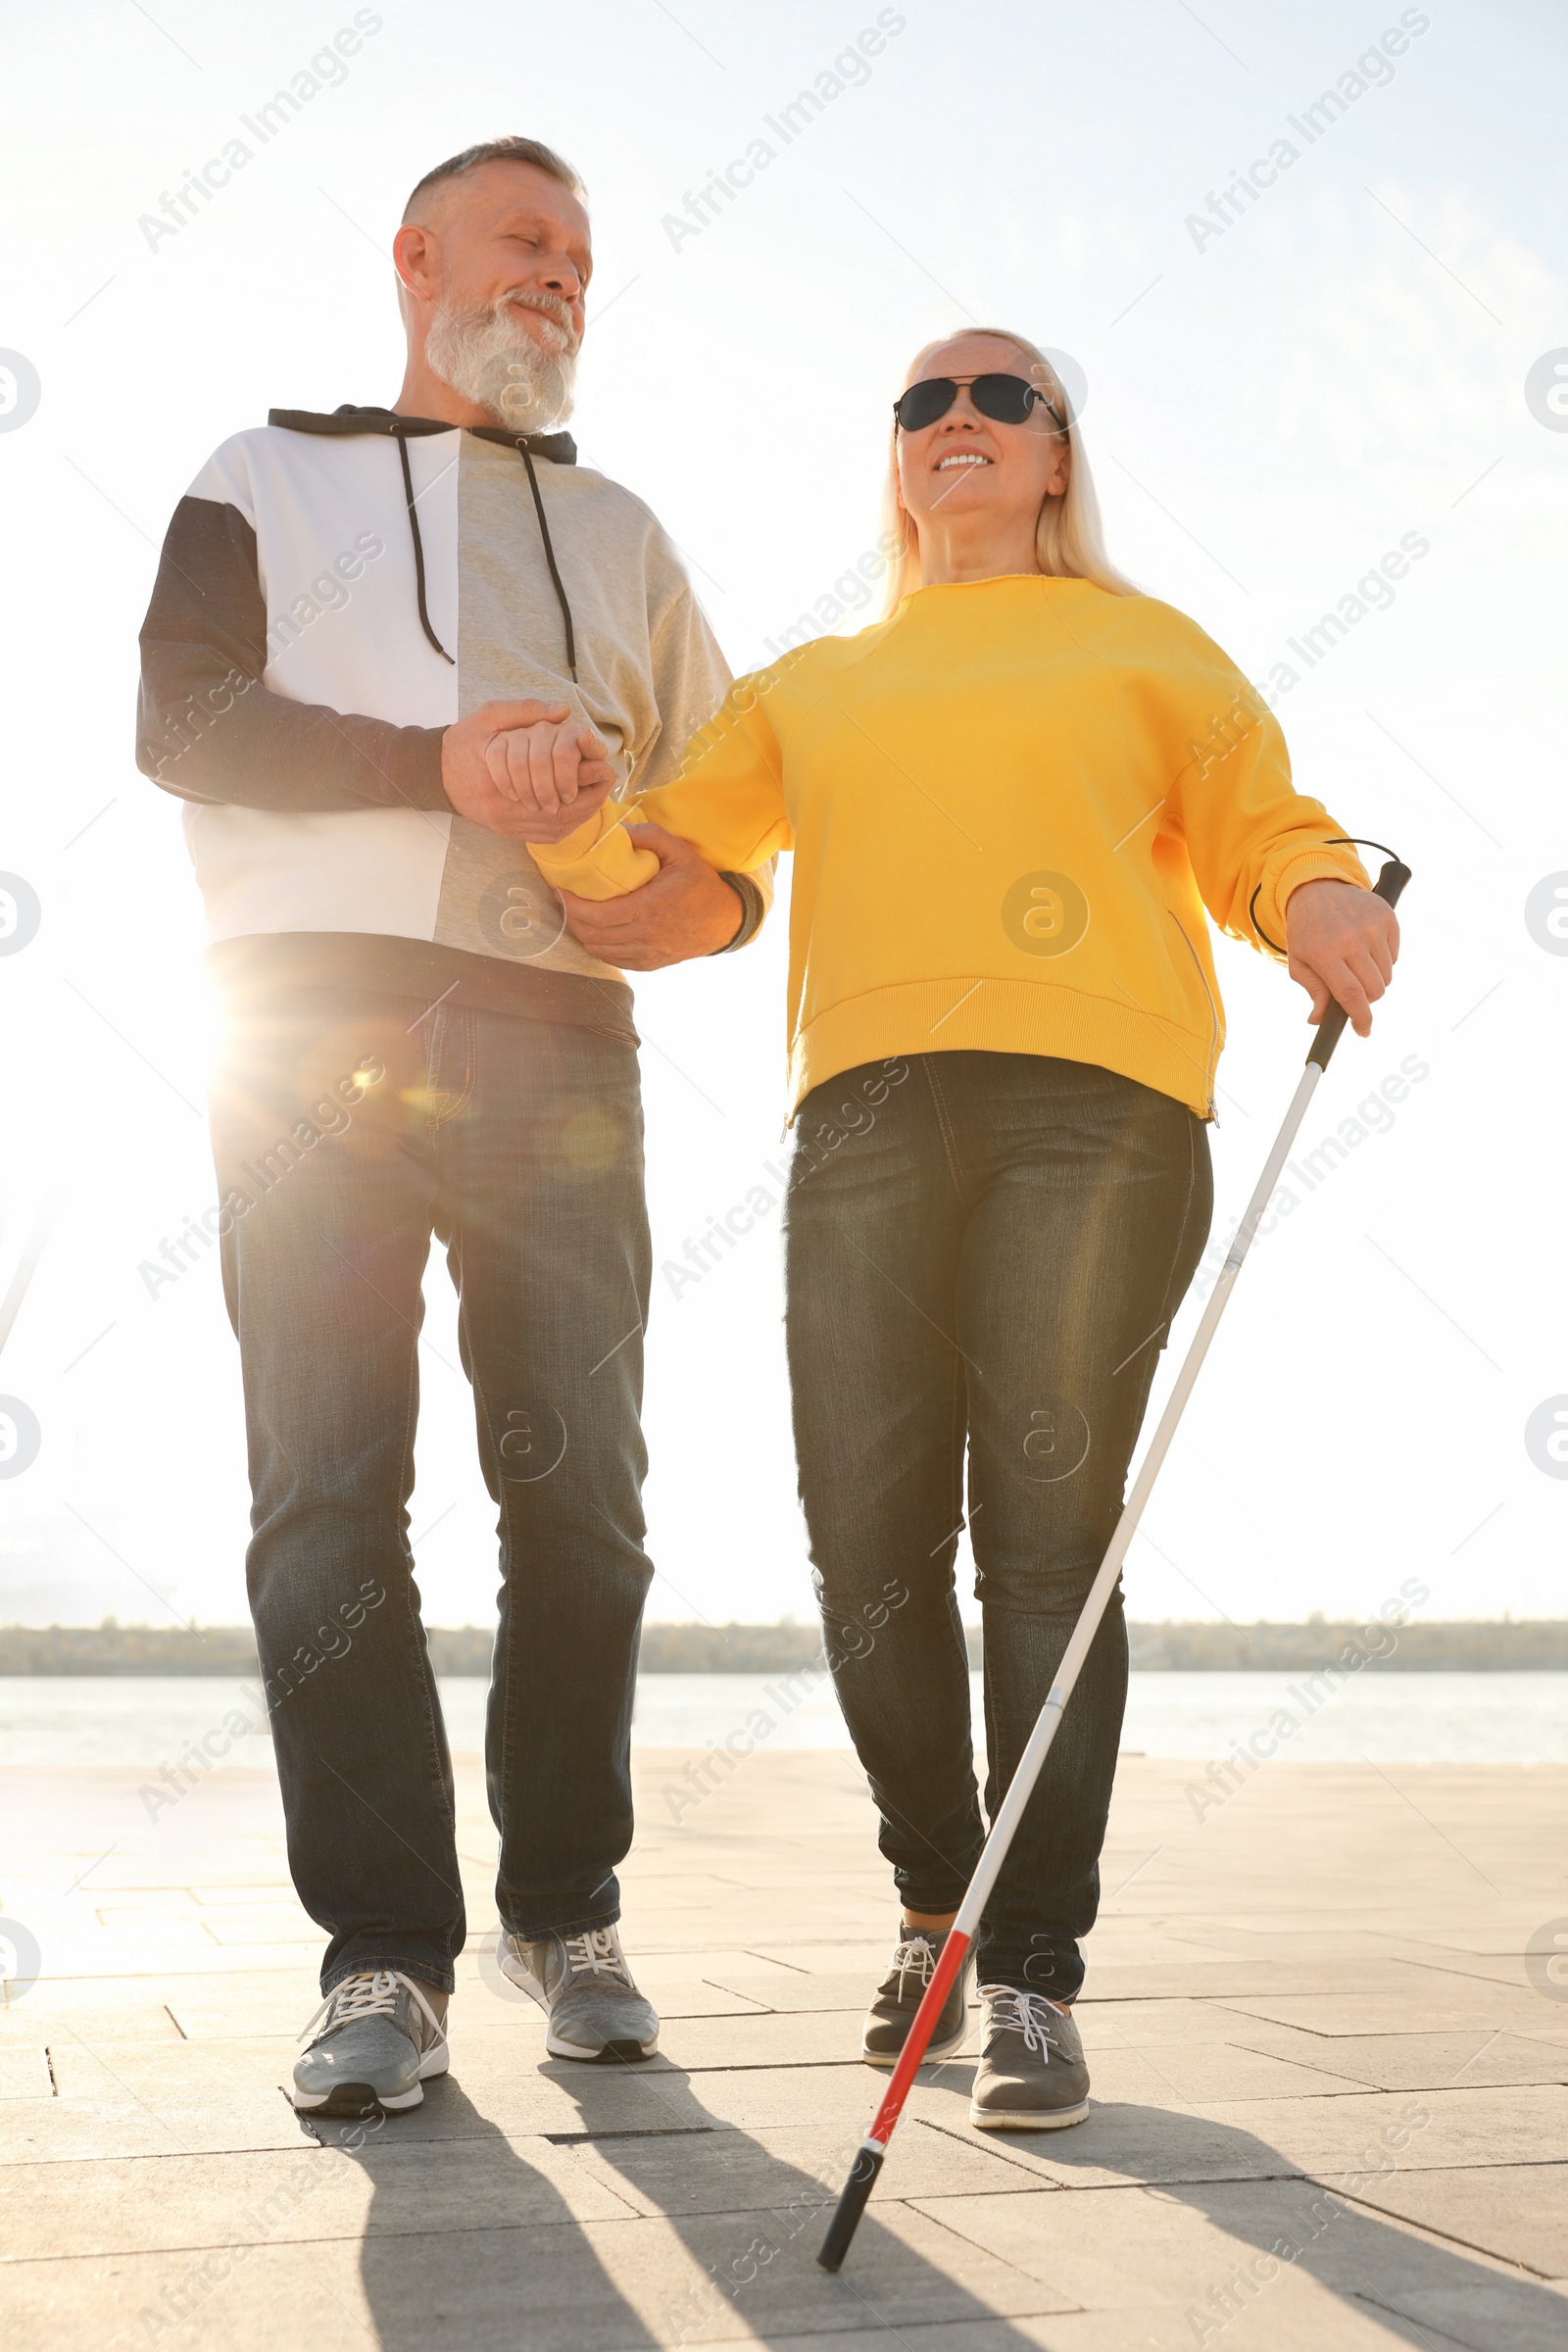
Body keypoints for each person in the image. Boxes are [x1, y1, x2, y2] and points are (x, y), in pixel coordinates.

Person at [503, 326, 1398, 2131]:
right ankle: (939, 1894)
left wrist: (1313, 895)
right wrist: (574, 831)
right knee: (870, 1548)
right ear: (899, 461)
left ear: (1059, 456)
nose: (962, 421)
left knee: (1048, 1549)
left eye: (1005, 399)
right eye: (926, 403)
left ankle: (1032, 1974)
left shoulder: (1149, 646)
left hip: (1105, 1110)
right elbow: (667, 865)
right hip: (868, 1118)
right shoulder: (814, 684)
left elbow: (1260, 825)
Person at [135, 136, 769, 2117]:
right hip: (302, 1029)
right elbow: (181, 723)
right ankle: (381, 1961)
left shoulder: (629, 534)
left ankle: (565, 1904)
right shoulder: (260, 473)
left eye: (583, 256)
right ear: (415, 261)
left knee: (580, 1487)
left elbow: (722, 821)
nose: (562, 278)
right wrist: (438, 762)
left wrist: (709, 906)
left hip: (554, 1040)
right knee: (328, 1494)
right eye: (525, 243)